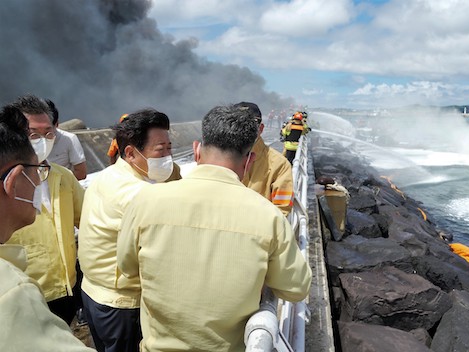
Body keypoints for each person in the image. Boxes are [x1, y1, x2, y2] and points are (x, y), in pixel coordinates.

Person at [117, 104, 312, 351]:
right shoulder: (268, 217)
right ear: (249, 160)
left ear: (196, 149)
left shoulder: (146, 201)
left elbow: (127, 267)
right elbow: (296, 288)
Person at [79, 108, 181, 352]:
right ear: (130, 153)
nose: (168, 156)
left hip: (95, 292)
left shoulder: (111, 174)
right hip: (123, 304)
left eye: (169, 147)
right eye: (160, 150)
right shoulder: (138, 194)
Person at [0, 104, 94, 351]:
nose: (43, 140)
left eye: (49, 133)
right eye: (33, 133)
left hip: (65, 287)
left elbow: (85, 220)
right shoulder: (11, 291)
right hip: (29, 289)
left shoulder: (63, 176)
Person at [236, 102, 294, 216]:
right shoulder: (217, 158)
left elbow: (282, 211)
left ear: (260, 128)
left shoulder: (279, 165)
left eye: (249, 124)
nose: (242, 129)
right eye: (236, 123)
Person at [45, 99, 87, 180]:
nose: (41, 136)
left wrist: (54, 182)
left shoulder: (69, 139)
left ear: (56, 124)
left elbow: (81, 173)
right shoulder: (26, 141)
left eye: (47, 130)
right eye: (34, 130)